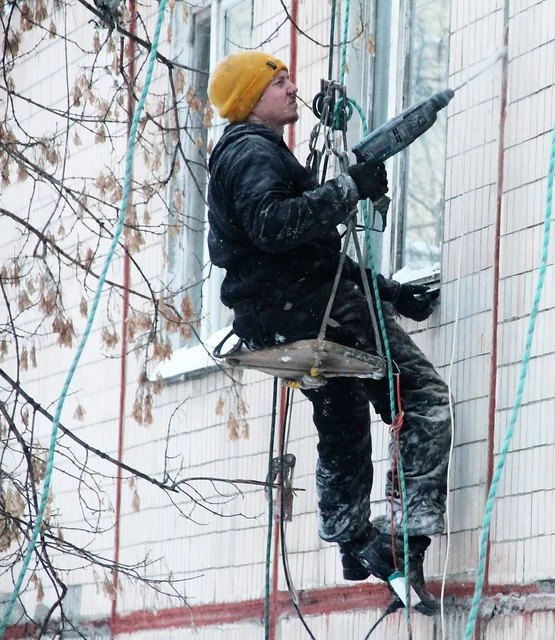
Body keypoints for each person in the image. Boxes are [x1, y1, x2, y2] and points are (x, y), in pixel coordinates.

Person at [205, 51, 451, 615]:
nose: (292, 88)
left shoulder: (246, 155)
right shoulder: (251, 153)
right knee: (423, 397)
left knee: (340, 411)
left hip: (281, 320)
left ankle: (356, 541)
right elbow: (274, 226)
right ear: (250, 98)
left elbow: (303, 256)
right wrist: (349, 190)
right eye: (279, 81)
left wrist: (389, 292)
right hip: (313, 311)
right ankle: (407, 542)